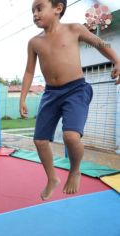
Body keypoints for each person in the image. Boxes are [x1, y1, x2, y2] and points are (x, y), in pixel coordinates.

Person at [20, 0, 120, 201]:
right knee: (39, 140)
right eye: (32, 11)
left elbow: (101, 43)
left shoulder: (74, 29)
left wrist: (117, 60)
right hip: (50, 93)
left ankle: (75, 170)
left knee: (71, 137)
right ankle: (52, 178)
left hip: (76, 89)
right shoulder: (34, 42)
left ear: (58, 8)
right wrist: (22, 97)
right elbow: (29, 71)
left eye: (39, 8)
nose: (35, 14)